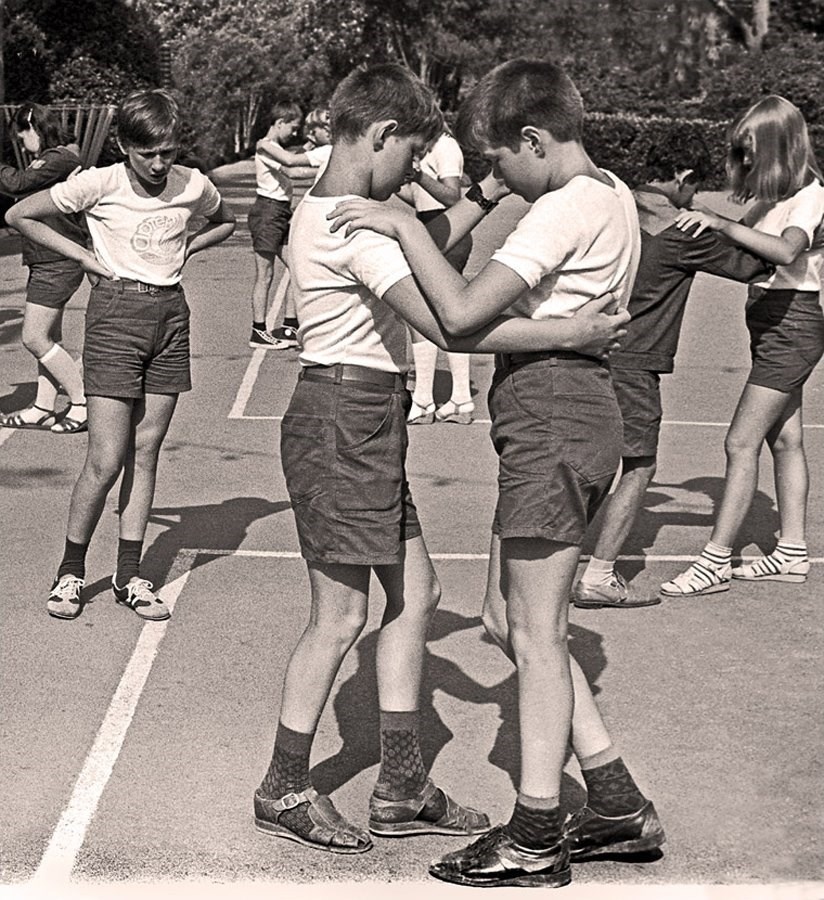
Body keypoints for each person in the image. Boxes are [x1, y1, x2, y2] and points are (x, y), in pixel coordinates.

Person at [254, 62, 631, 864]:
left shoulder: (346, 211)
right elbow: (449, 320)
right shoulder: (349, 225)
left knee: (418, 593)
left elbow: (426, 247)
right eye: (410, 155)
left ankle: (400, 784)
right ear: (383, 135)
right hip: (341, 418)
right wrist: (569, 333)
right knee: (340, 616)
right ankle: (283, 786)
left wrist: (473, 199)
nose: (411, 177)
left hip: (365, 417)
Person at [7, 88, 235, 621]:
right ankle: (70, 572)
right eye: (147, 153)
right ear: (124, 146)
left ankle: (129, 575)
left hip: (170, 316)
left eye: (168, 152)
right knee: (106, 459)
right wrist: (84, 256)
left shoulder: (192, 183)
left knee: (146, 450)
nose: (158, 164)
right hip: (115, 315)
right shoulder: (99, 182)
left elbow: (223, 220)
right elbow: (21, 214)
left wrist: (189, 246)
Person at [571, 135, 774, 608]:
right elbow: (758, 265)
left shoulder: (614, 204)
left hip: (580, 347)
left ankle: (545, 567)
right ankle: (598, 576)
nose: (695, 199)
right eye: (695, 189)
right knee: (639, 466)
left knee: (583, 463)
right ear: (683, 178)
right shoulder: (682, 232)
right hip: (634, 361)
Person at [661, 95, 824, 597]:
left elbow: (786, 250)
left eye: (752, 147)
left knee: (739, 441)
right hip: (771, 318)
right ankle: (791, 552)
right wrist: (699, 214)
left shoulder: (810, 196)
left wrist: (724, 224)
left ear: (779, 143)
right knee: (785, 440)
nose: (746, 157)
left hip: (795, 322)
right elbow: (741, 243)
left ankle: (716, 560)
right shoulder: (772, 198)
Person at [0, 103, 88, 433]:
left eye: (22, 135)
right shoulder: (54, 160)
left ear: (34, 126)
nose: (23, 145)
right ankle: (43, 407)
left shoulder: (61, 158)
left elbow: (18, 183)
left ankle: (81, 403)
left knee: (35, 338)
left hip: (56, 261)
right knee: (49, 337)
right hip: (46, 259)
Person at [398, 131, 475, 425]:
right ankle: (458, 400)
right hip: (431, 226)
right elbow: (420, 199)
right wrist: (397, 182)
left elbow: (453, 196)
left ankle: (424, 401)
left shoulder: (445, 146)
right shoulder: (430, 148)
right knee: (434, 313)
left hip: (447, 230)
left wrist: (419, 176)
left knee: (423, 313)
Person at [247, 102, 330, 350]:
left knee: (296, 267)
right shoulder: (267, 147)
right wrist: (326, 168)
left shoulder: (274, 147)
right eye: (292, 128)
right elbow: (292, 171)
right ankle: (258, 330)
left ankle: (289, 325)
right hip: (268, 211)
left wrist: (310, 147)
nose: (294, 133)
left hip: (281, 211)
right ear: (279, 122)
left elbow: (294, 159)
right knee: (265, 274)